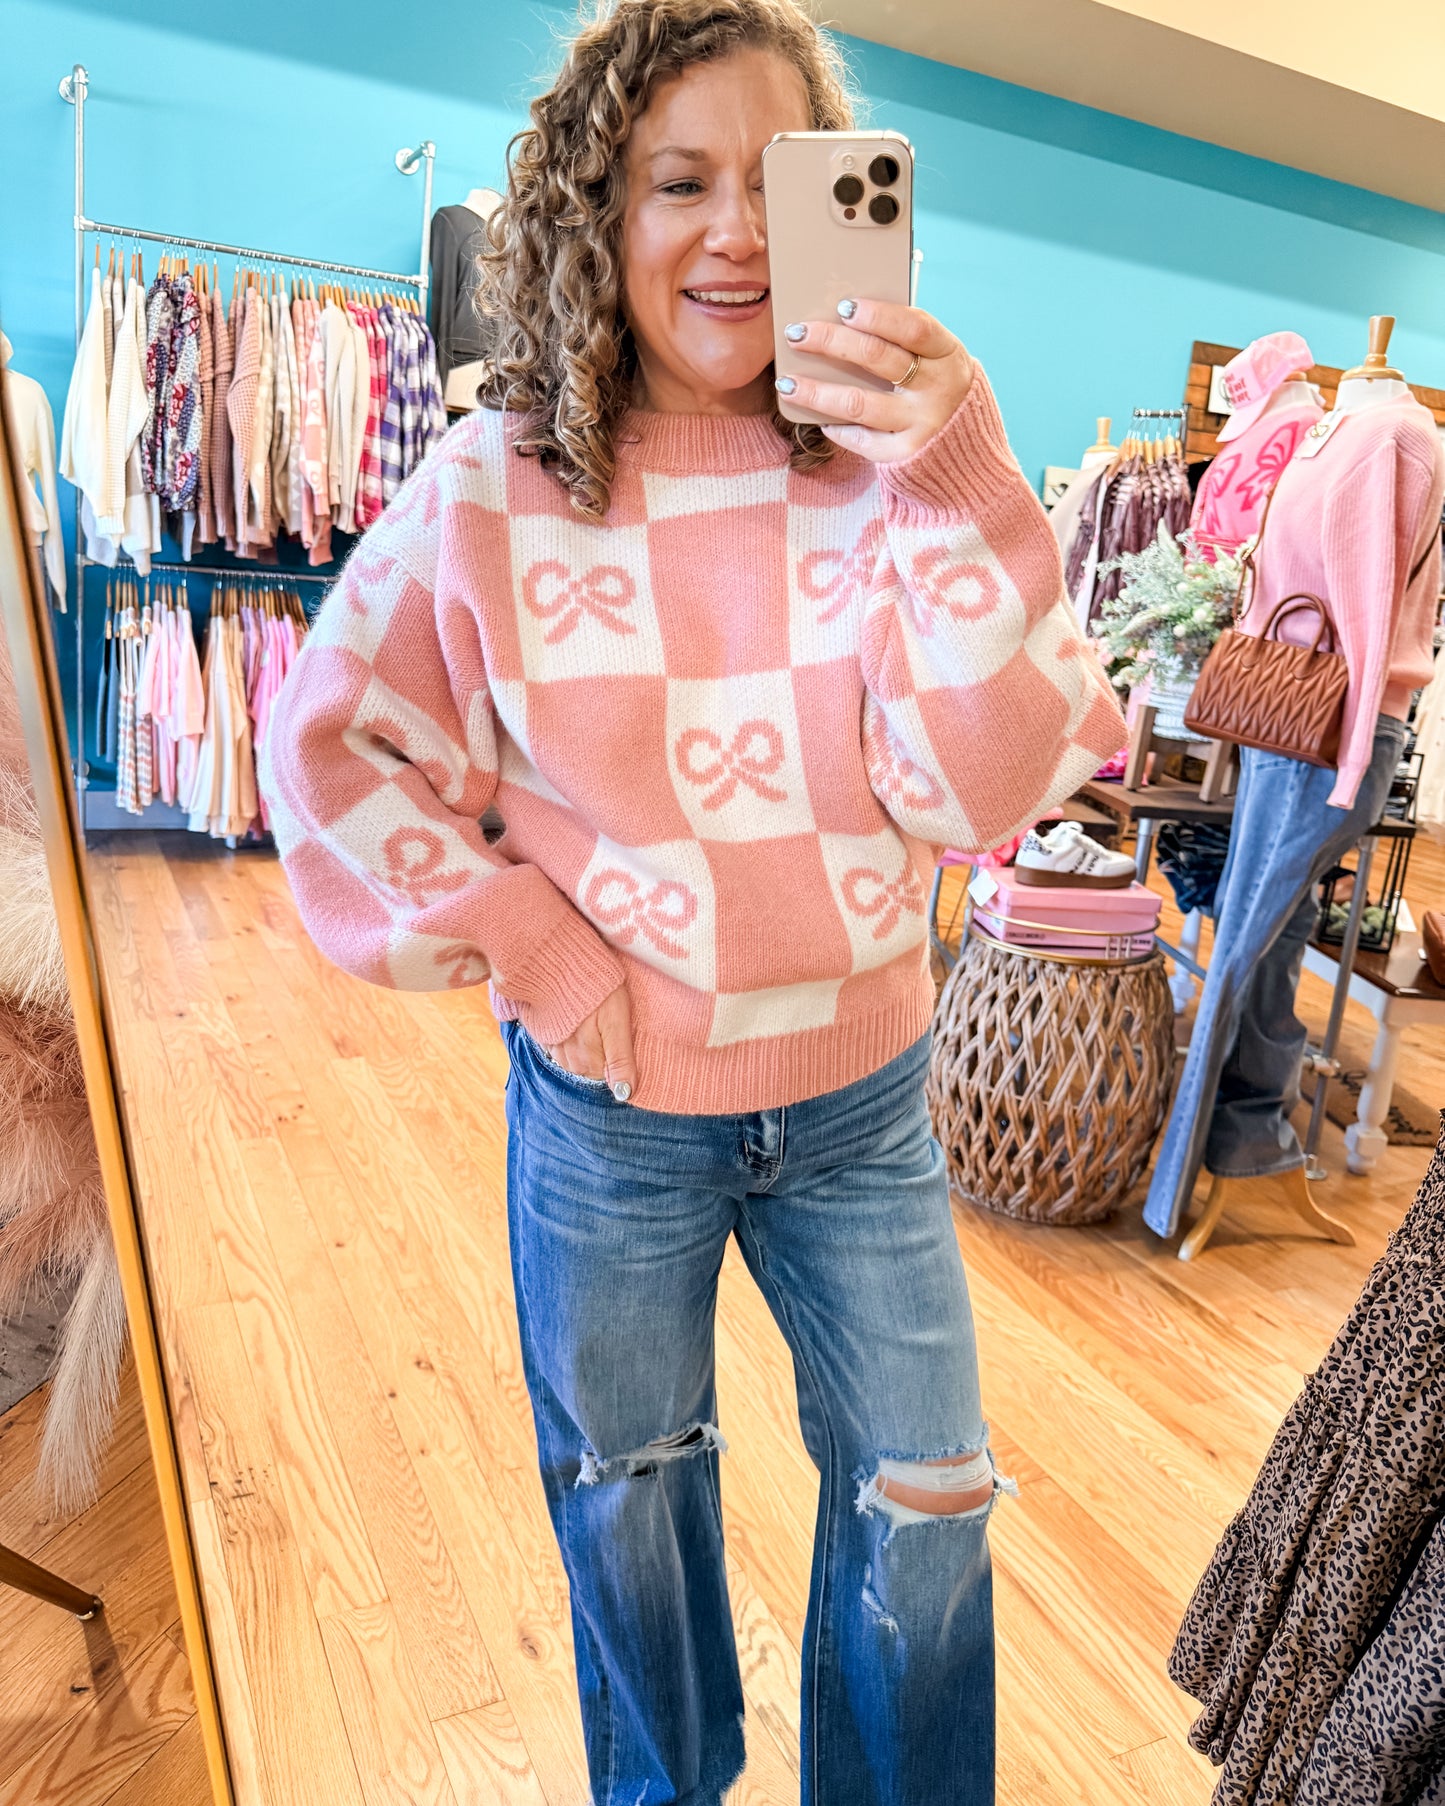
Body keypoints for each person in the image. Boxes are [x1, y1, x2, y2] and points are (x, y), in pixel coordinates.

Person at [259, 1, 1125, 1798]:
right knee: (626, 1505)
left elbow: (976, 788)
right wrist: (533, 943)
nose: (733, 228)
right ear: (598, 213)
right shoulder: (494, 486)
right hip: (610, 1115)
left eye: (777, 183)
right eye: (678, 182)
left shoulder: (900, 479)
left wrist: (956, 474)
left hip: (866, 1106)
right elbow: (327, 747)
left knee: (927, 1504)